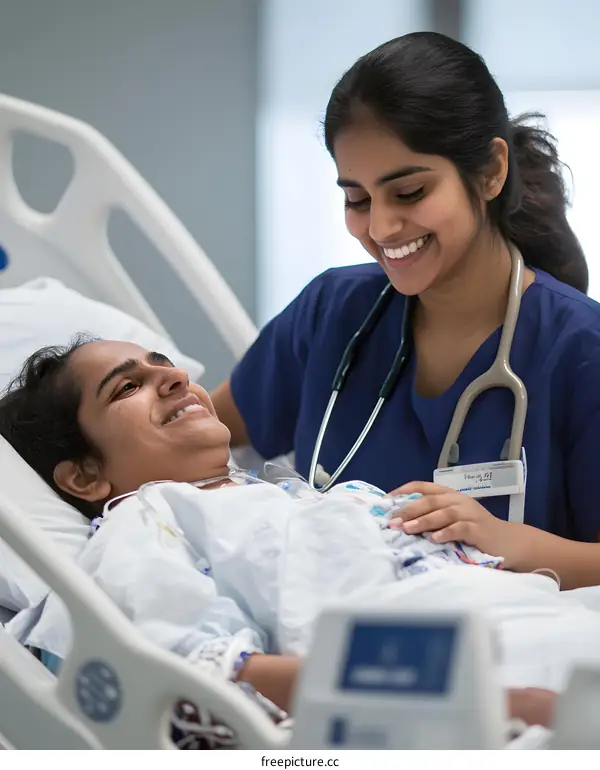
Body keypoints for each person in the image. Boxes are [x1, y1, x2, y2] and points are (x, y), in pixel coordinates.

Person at [2, 338, 599, 733]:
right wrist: (479, 704)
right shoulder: (147, 523)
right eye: (126, 387)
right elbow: (194, 678)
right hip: (479, 672)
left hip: (544, 618)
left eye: (165, 364)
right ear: (84, 475)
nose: (174, 377)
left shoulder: (288, 493)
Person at [211, 32, 600, 587]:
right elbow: (194, 438)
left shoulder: (580, 349)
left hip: (505, 658)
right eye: (357, 199)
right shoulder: (332, 313)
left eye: (410, 192)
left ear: (491, 170)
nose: (381, 228)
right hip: (327, 647)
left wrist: (504, 541)